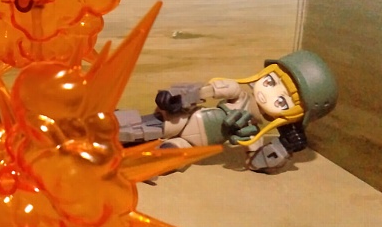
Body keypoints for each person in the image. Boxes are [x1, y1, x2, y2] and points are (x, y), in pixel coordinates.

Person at [117, 50, 338, 173]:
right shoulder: (237, 94)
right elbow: (208, 90)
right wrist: (178, 98)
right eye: (271, 82)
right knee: (137, 127)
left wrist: (283, 148)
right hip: (183, 120)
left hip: (191, 146)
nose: (268, 94)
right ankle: (108, 129)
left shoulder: (251, 133)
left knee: (162, 158)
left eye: (282, 101)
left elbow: (255, 162)